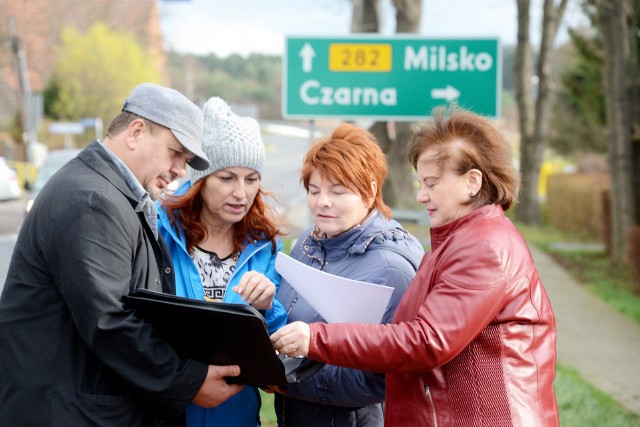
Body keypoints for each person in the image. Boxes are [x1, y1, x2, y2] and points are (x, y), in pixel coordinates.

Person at [271, 108, 559, 427]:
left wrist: (317, 339)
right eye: (420, 183)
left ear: (472, 182)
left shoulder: (483, 248)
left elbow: (425, 341)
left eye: (432, 184)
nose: (421, 196)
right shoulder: (462, 239)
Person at [0, 83, 244, 426]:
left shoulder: (113, 194)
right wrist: (187, 381)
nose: (180, 171)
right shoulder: (91, 200)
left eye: (187, 161)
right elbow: (109, 319)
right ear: (136, 132)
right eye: (176, 153)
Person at [274, 123, 425, 427]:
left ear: (370, 192)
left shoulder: (390, 268)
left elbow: (382, 378)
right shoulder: (309, 240)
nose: (322, 202)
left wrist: (286, 377)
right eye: (314, 191)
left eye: (338, 191)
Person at [157, 96, 287, 427]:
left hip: (238, 417)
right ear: (199, 181)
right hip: (166, 412)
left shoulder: (265, 247)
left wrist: (269, 307)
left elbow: (277, 352)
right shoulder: (158, 231)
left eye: (251, 179)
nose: (241, 193)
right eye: (226, 178)